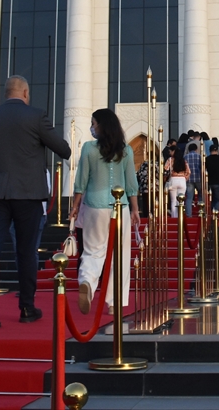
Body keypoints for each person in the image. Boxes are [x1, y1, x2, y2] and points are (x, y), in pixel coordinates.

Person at [0, 75, 70, 329]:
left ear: (6, 93)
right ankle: (27, 307)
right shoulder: (36, 116)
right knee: (26, 250)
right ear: (25, 93)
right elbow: (63, 149)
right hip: (28, 194)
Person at [69, 108, 141, 315]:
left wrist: (74, 206)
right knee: (120, 253)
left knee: (93, 251)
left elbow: (81, 181)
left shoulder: (89, 149)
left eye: (93, 123)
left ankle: (88, 284)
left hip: (94, 205)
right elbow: (131, 184)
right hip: (121, 208)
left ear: (101, 125)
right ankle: (114, 301)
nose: (92, 127)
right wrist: (135, 209)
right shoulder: (126, 150)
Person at [165, 146, 190, 217]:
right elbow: (188, 172)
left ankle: (174, 217)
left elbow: (165, 169)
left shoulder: (170, 160)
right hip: (182, 180)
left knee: (173, 201)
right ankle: (180, 217)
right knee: (180, 201)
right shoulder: (184, 161)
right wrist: (185, 178)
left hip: (173, 180)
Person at [205, 142, 219, 214]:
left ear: (210, 151)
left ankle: (211, 211)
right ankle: (216, 212)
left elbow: (204, 170)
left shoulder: (207, 159)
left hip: (209, 181)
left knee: (211, 198)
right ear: (217, 150)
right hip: (218, 181)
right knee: (217, 198)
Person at [184, 142, 202, 217]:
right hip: (198, 178)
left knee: (189, 198)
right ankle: (201, 212)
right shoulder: (199, 156)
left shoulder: (185, 157)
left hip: (189, 179)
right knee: (201, 195)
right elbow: (202, 167)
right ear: (196, 149)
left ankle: (189, 215)